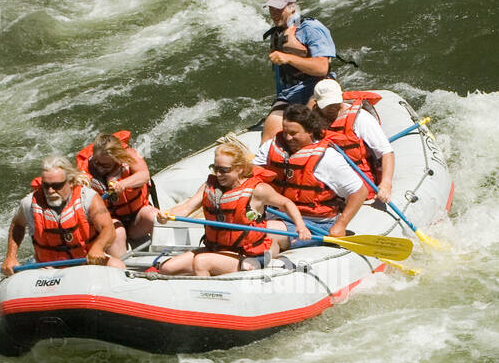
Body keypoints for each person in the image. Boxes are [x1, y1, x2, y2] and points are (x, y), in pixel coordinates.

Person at [155, 135, 312, 277]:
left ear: (240, 169)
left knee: (201, 262)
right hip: (216, 248)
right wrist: (167, 215)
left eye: (224, 170)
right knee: (167, 268)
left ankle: (209, 298)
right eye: (215, 168)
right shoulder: (209, 187)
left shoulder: (258, 190)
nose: (218, 174)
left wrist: (300, 226)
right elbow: (187, 207)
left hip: (247, 254)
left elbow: (286, 203)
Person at [252, 105, 371, 247]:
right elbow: (254, 174)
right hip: (278, 213)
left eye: (294, 133)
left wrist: (341, 225)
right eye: (285, 132)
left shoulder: (327, 159)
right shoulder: (272, 147)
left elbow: (359, 192)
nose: (288, 138)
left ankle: (257, 263)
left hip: (315, 223)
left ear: (309, 131)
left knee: (262, 232)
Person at [1, 157, 122, 275]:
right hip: (48, 268)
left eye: (57, 186)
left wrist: (98, 247)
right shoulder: (30, 203)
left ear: (70, 182)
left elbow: (108, 229)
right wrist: (10, 256)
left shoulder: (88, 198)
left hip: (87, 263)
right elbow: (17, 224)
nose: (50, 191)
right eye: (46, 186)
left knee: (117, 266)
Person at [261, 0, 336, 142]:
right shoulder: (278, 33)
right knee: (271, 130)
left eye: (278, 8)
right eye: (271, 8)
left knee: (305, 128)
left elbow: (322, 68)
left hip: (316, 88)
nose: (274, 13)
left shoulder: (311, 28)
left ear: (292, 7)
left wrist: (288, 57)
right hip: (290, 94)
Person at [75, 131, 159, 257]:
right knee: (117, 233)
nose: (100, 168)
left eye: (106, 165)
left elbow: (144, 175)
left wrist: (123, 184)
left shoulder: (129, 155)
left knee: (154, 217)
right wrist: (80, 184)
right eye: (96, 162)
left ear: (117, 158)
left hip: (136, 217)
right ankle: (122, 268)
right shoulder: (85, 168)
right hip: (111, 218)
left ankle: (162, 259)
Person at [311, 79, 395, 204]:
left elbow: (386, 152)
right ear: (317, 103)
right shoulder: (311, 120)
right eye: (326, 105)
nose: (331, 107)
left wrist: (386, 183)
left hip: (356, 174)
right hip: (327, 175)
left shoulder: (360, 118)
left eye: (334, 103)